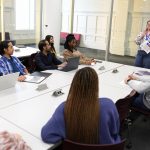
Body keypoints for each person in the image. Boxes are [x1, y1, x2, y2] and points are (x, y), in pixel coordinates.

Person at [41, 67, 121, 144]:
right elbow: (115, 130)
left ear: (74, 85)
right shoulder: (108, 105)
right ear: (96, 85)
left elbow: (46, 135)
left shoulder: (64, 108)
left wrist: (65, 133)